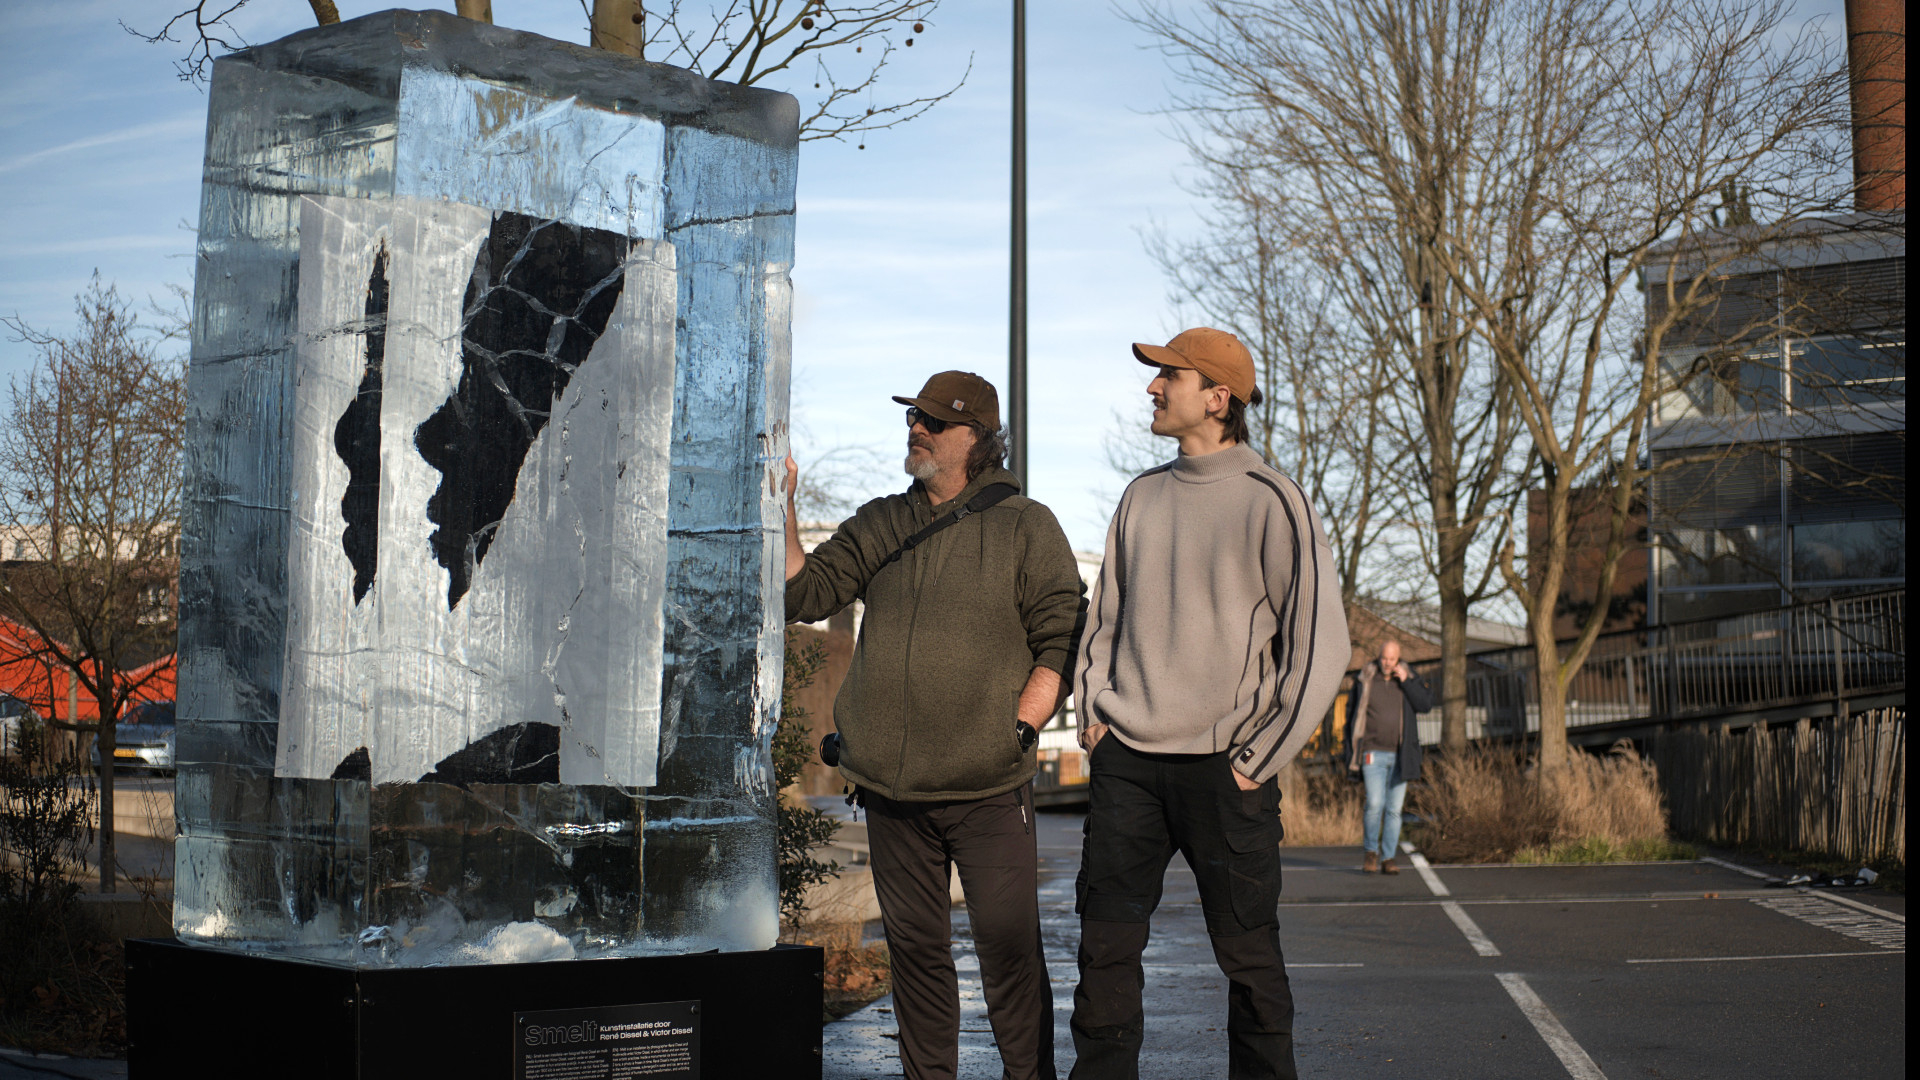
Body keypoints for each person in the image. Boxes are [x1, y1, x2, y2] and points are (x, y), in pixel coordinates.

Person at [784, 370, 1085, 1080]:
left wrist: (1021, 725)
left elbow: (1063, 632)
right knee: (916, 959)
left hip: (987, 788)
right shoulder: (882, 520)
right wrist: (785, 507)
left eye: (933, 421)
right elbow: (804, 591)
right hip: (892, 791)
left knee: (1008, 955)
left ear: (975, 439)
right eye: (912, 417)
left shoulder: (1025, 525)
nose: (915, 428)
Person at [1071, 328, 1349, 1080]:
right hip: (1129, 761)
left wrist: (1258, 758)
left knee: (1251, 962)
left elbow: (1321, 646)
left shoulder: (1273, 500)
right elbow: (1102, 623)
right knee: (1103, 956)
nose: (1153, 389)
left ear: (1218, 398)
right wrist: (1095, 714)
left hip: (1228, 771)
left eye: (1169, 376)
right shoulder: (1140, 495)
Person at [1344, 639, 1436, 875]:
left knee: (1394, 809)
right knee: (1375, 803)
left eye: (1392, 659)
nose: (1387, 663)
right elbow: (1351, 714)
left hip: (1401, 754)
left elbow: (1425, 705)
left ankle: (1389, 858)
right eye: (1384, 658)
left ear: (1399, 659)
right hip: (1371, 752)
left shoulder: (1409, 678)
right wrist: (1350, 748)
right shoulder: (1365, 677)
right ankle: (1370, 853)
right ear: (1379, 656)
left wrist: (1407, 681)